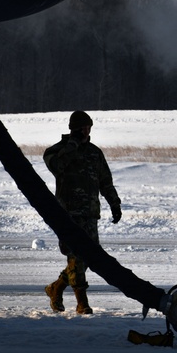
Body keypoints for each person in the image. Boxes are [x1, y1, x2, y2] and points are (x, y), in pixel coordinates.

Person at [43, 111, 122, 315]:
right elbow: (58, 167)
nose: (85, 131)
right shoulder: (56, 151)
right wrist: (72, 145)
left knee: (88, 257)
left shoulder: (95, 153)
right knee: (76, 255)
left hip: (90, 214)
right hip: (67, 214)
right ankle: (82, 303)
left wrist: (114, 203)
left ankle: (56, 287)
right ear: (72, 129)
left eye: (87, 127)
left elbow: (105, 181)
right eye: (81, 128)